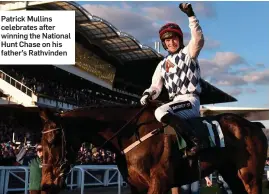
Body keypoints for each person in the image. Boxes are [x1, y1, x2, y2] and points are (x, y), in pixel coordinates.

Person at [140, 2, 205, 157]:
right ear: (164, 44)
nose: (171, 43)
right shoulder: (162, 64)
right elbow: (155, 87)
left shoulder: (189, 53)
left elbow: (198, 39)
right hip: (176, 102)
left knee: (161, 111)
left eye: (174, 39)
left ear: (179, 39)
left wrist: (191, 16)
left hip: (190, 101)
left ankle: (195, 141)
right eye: (167, 41)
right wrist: (147, 94)